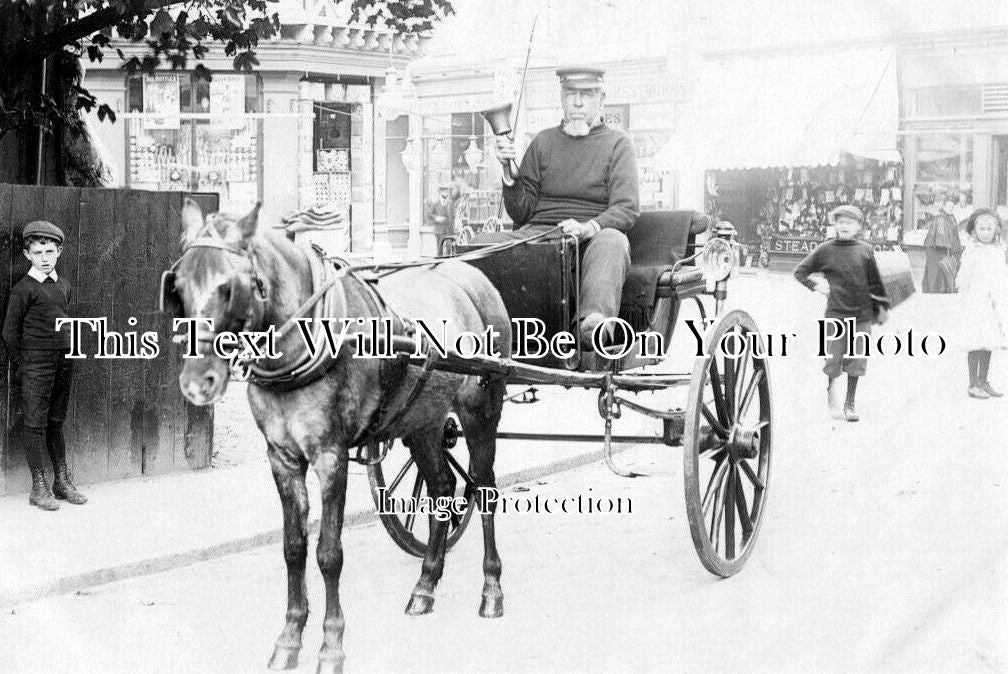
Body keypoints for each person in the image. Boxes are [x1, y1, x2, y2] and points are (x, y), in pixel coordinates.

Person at [493, 66, 639, 341]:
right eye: (571, 94)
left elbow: (626, 207)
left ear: (602, 100)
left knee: (613, 242)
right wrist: (506, 171)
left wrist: (590, 227)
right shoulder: (543, 142)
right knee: (482, 242)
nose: (578, 102)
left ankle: (592, 324)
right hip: (539, 234)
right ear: (561, 99)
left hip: (591, 240)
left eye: (587, 94)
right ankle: (484, 323)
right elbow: (521, 211)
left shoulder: (619, 143)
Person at [2, 221, 87, 510]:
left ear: (59, 251)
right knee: (35, 423)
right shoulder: (22, 289)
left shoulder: (63, 285)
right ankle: (38, 486)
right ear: (28, 255)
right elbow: (9, 333)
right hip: (36, 366)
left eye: (50, 251)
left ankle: (61, 481)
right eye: (38, 252)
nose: (45, 257)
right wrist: (25, 365)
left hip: (63, 363)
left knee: (55, 422)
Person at [794, 205, 890, 422]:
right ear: (835, 225)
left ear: (858, 226)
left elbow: (875, 281)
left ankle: (850, 402)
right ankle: (830, 390)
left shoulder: (866, 250)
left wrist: (882, 307)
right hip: (836, 313)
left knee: (857, 359)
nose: (845, 226)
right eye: (840, 222)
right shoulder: (825, 250)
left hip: (862, 314)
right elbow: (800, 272)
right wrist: (815, 285)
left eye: (850, 222)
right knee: (833, 358)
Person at [955, 209, 1008, 399]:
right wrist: (969, 295)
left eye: (989, 228)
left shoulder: (998, 251)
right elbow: (962, 279)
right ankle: (973, 383)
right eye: (982, 228)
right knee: (975, 341)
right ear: (974, 231)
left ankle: (984, 380)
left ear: (996, 231)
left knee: (988, 342)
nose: (986, 232)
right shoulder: (972, 252)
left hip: (992, 303)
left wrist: (1000, 299)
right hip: (975, 302)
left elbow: (1001, 277)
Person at [922, 198, 963, 293]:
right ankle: (935, 292)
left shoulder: (951, 217)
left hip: (942, 248)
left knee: (944, 270)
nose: (950, 208)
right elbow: (942, 237)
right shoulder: (941, 218)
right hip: (937, 249)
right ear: (944, 206)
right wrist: (951, 248)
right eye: (948, 206)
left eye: (952, 207)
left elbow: (953, 235)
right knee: (936, 271)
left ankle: (940, 291)